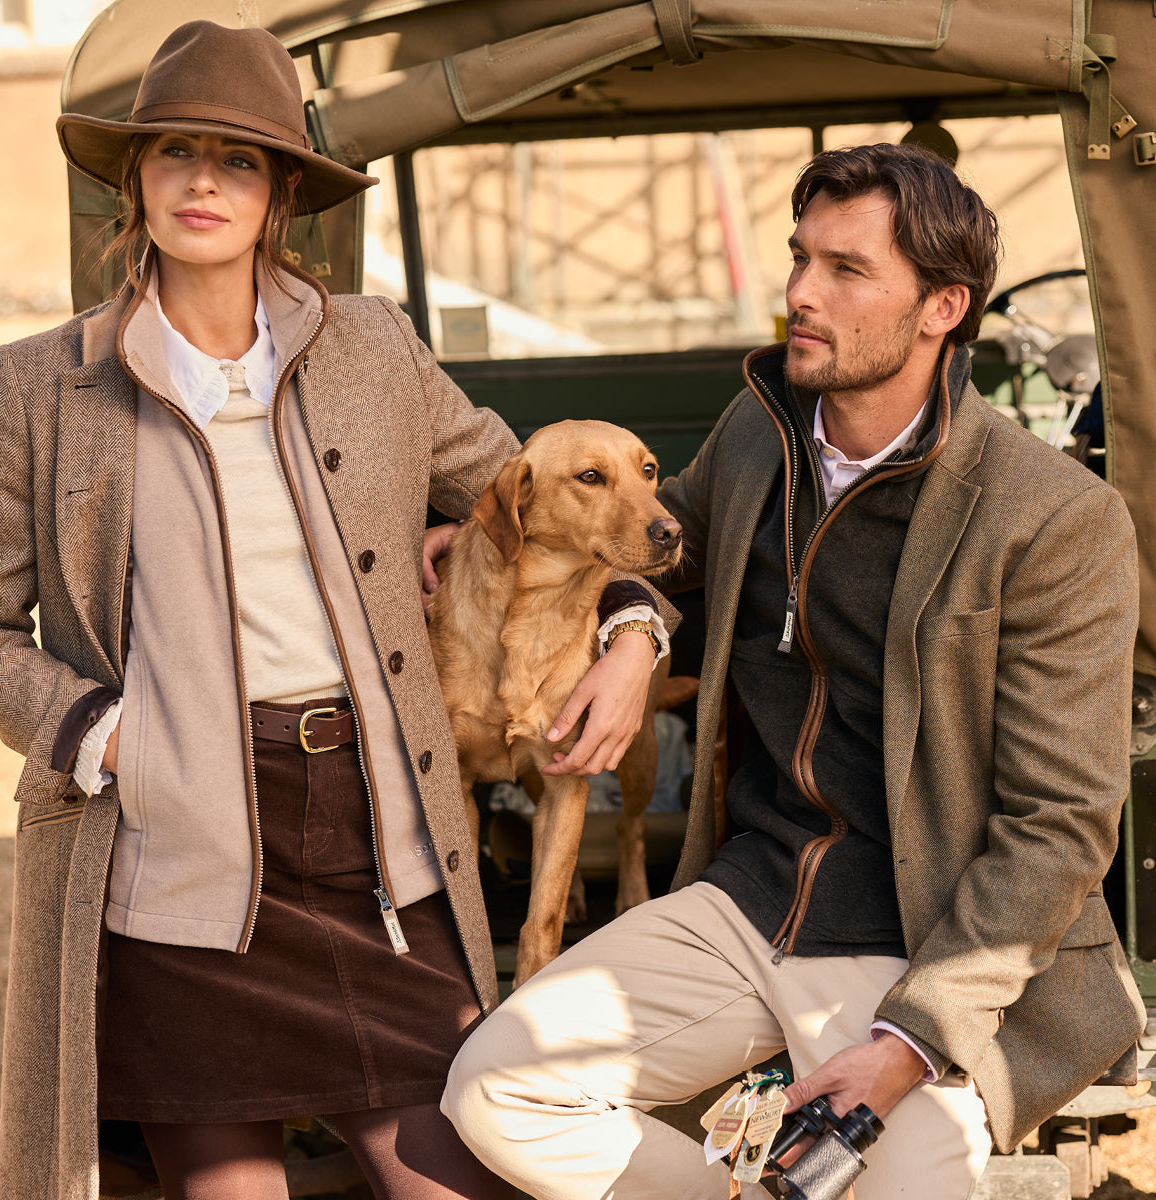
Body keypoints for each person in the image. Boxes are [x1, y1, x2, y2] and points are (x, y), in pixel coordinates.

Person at [0, 20, 667, 1200]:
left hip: (375, 833)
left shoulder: (375, 349)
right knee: (233, 1191)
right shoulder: (44, 382)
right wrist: (106, 736)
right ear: (134, 177)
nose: (202, 180)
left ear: (281, 190)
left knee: (456, 1177)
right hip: (173, 849)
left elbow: (531, 489)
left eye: (237, 158)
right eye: (175, 151)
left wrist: (635, 632)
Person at [442, 142, 1147, 1198]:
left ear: (941, 308)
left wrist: (912, 1041)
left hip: (927, 937)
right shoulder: (757, 434)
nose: (800, 296)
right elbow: (653, 542)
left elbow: (1062, 829)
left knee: (915, 1185)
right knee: (494, 1089)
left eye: (847, 270)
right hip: (751, 894)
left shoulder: (1054, 518)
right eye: (799, 258)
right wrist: (638, 639)